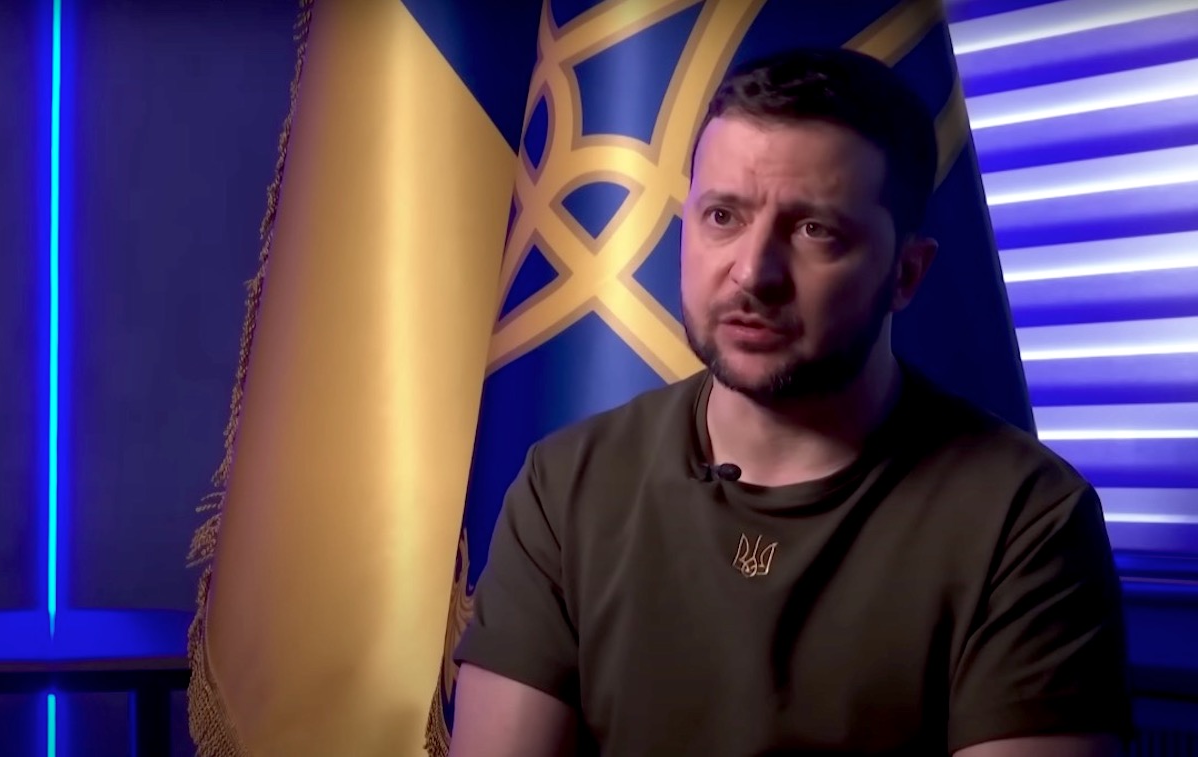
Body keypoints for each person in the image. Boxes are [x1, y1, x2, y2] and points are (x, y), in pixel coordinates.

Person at [447, 47, 1132, 757]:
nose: (753, 272)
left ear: (905, 274)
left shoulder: (1026, 519)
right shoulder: (566, 484)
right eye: (722, 215)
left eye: (814, 230)